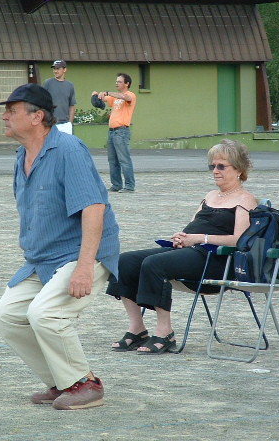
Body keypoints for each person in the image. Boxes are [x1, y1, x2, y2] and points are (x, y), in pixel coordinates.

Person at [0, 84, 120, 410]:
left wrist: (84, 267)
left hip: (83, 253)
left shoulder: (68, 150)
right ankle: (61, 382)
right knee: (7, 315)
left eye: (13, 110)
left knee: (45, 313)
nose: (5, 116)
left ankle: (84, 385)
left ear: (37, 117)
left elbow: (94, 208)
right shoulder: (23, 155)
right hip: (43, 259)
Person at [106, 139, 257, 354]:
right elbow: (195, 224)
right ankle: (137, 328)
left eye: (221, 166)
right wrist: (182, 236)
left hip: (216, 260)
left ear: (239, 169)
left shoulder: (245, 199)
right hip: (190, 251)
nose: (215, 170)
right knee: (124, 261)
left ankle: (165, 332)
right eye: (212, 166)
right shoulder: (210, 196)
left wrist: (199, 239)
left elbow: (238, 241)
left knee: (154, 264)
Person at [92, 73, 137, 193]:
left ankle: (129, 185)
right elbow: (104, 99)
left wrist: (107, 92)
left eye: (120, 81)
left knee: (124, 159)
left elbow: (126, 98)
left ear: (127, 84)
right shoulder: (115, 98)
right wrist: (97, 95)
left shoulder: (130, 95)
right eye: (116, 81)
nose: (117, 83)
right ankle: (116, 185)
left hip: (122, 131)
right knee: (112, 160)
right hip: (112, 132)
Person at [43, 60, 76, 135]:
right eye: (54, 69)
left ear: (64, 70)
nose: (55, 71)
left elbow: (72, 105)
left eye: (58, 69)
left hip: (65, 125)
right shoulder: (48, 83)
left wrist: (70, 123)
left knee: (66, 146)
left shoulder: (70, 85)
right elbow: (42, 102)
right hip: (50, 124)